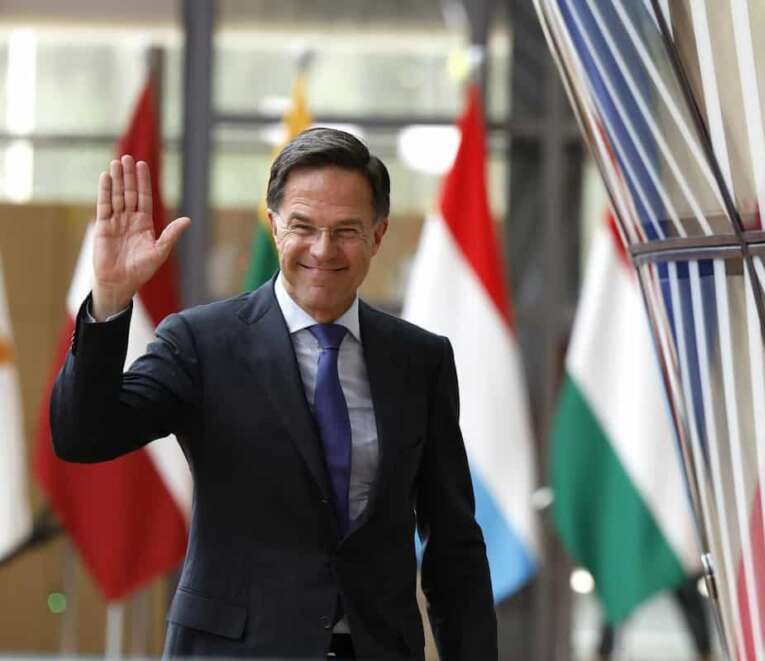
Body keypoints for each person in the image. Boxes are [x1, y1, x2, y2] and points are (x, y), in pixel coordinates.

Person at [49, 128, 498, 660]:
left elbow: (453, 545)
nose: (323, 250)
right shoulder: (202, 343)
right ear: (274, 227)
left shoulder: (419, 360)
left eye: (346, 230)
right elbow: (82, 435)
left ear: (378, 236)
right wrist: (109, 302)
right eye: (302, 227)